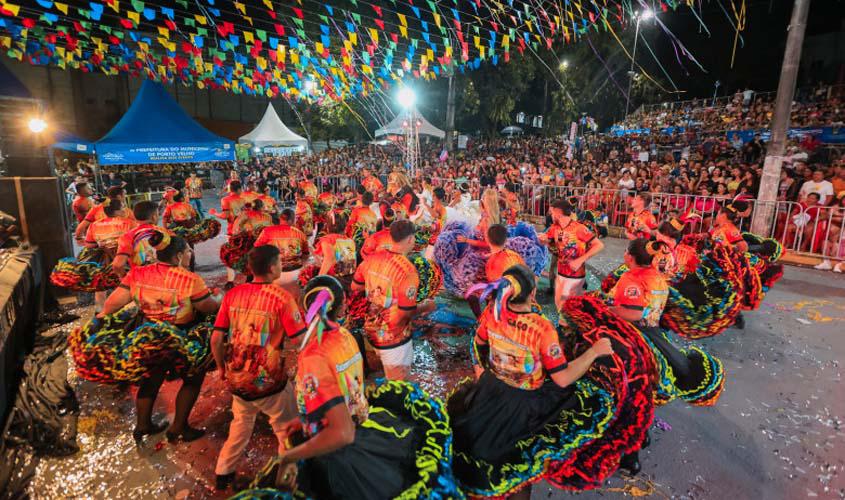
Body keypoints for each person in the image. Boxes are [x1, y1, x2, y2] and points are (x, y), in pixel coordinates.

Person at [236, 275, 458, 499]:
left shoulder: (315, 353)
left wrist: (289, 457)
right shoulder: (346, 336)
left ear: (306, 308)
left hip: (335, 448)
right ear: (341, 307)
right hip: (360, 424)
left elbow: (342, 433)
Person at [449, 264, 616, 498]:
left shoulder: (493, 313)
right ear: (533, 292)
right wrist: (594, 352)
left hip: (490, 392)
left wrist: (483, 371)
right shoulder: (541, 327)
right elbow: (563, 378)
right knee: (520, 460)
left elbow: (477, 343)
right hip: (525, 405)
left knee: (488, 450)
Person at [91, 231, 221, 443]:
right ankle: (179, 427)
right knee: (192, 379)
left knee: (151, 379)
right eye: (188, 251)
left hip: (148, 337)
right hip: (181, 337)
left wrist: (103, 320)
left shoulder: (137, 274)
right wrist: (219, 299)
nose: (190, 254)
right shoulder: (190, 279)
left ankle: (143, 425)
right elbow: (207, 307)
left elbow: (112, 304)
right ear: (178, 256)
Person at [211, 245, 307, 490]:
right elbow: (299, 340)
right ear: (273, 267)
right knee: (287, 429)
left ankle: (223, 472)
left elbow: (216, 338)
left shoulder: (233, 295)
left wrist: (222, 368)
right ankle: (286, 484)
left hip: (237, 378)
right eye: (280, 262)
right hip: (268, 381)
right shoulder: (283, 299)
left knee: (241, 423)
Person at [351, 220, 436, 380]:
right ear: (411, 239)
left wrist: (375, 293)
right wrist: (426, 306)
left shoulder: (371, 259)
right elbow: (406, 313)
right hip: (393, 336)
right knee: (399, 385)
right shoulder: (407, 270)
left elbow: (355, 287)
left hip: (371, 329)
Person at [541, 199, 604, 312]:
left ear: (558, 213)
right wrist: (543, 240)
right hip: (561, 273)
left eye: (552, 212)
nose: (550, 215)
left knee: (572, 308)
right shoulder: (554, 228)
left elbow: (599, 245)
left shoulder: (579, 228)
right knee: (559, 304)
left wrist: (580, 260)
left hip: (576, 276)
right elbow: (548, 241)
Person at [83, 199, 137, 310]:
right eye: (122, 207)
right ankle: (127, 313)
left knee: (101, 287)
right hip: (124, 259)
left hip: (103, 261)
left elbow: (88, 245)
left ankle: (100, 313)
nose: (124, 210)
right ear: (116, 211)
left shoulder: (94, 225)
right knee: (128, 285)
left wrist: (103, 244)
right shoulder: (129, 223)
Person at [254, 208, 309, 295]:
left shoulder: (267, 231)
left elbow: (256, 248)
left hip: (273, 273)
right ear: (292, 220)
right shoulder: (300, 234)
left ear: (280, 218)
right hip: (295, 273)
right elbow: (306, 255)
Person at [112, 201, 169, 277]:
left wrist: (124, 278)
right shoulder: (165, 233)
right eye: (158, 214)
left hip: (140, 281)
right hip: (165, 278)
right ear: (154, 216)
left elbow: (118, 265)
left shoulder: (127, 236)